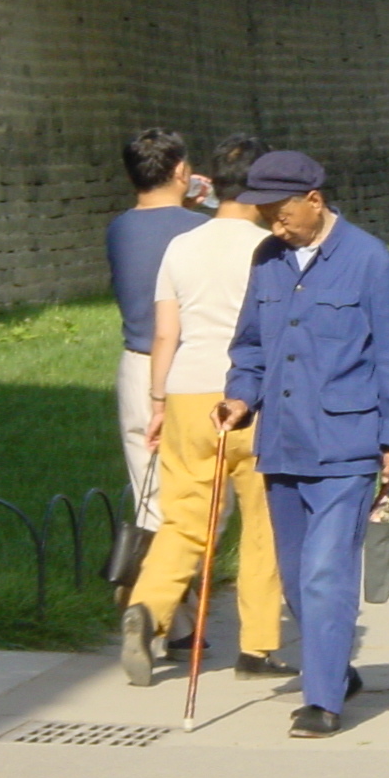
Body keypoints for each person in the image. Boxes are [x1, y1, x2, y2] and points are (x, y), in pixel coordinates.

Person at [215, 151, 389, 738]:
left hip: (346, 445)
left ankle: (323, 699)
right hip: (281, 441)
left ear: (314, 199)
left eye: (280, 214)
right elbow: (250, 346)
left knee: (327, 573)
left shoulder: (369, 262)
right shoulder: (268, 259)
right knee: (296, 572)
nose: (273, 226)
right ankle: (335, 666)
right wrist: (238, 397)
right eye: (265, 216)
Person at [119, 136, 293, 687]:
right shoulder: (271, 250)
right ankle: (258, 646)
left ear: (208, 183)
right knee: (264, 523)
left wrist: (157, 402)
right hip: (255, 397)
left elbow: (166, 333)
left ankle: (147, 608)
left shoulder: (183, 247)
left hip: (190, 393)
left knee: (184, 519)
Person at [106, 128, 207, 530]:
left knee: (148, 483)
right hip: (192, 361)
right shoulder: (201, 229)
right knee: (201, 479)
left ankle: (153, 577)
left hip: (138, 361)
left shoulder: (119, 229)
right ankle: (191, 571)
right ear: (182, 170)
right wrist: (208, 205)